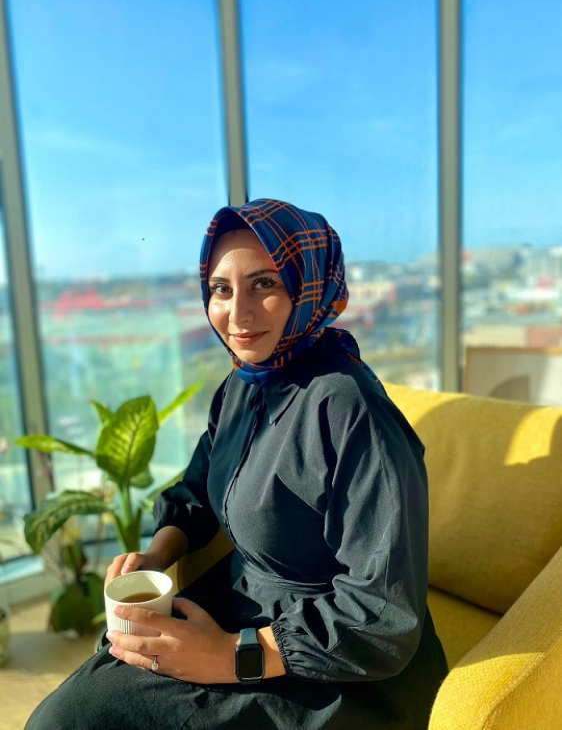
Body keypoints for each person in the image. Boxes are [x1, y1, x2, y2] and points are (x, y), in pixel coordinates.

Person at [25, 198, 448, 730]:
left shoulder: (349, 410)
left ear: (309, 287)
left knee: (70, 720)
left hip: (334, 671)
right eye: (221, 289)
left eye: (264, 284)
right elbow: (200, 484)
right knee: (90, 686)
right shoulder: (243, 387)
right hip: (246, 607)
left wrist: (229, 655)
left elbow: (383, 616)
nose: (237, 314)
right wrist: (155, 558)